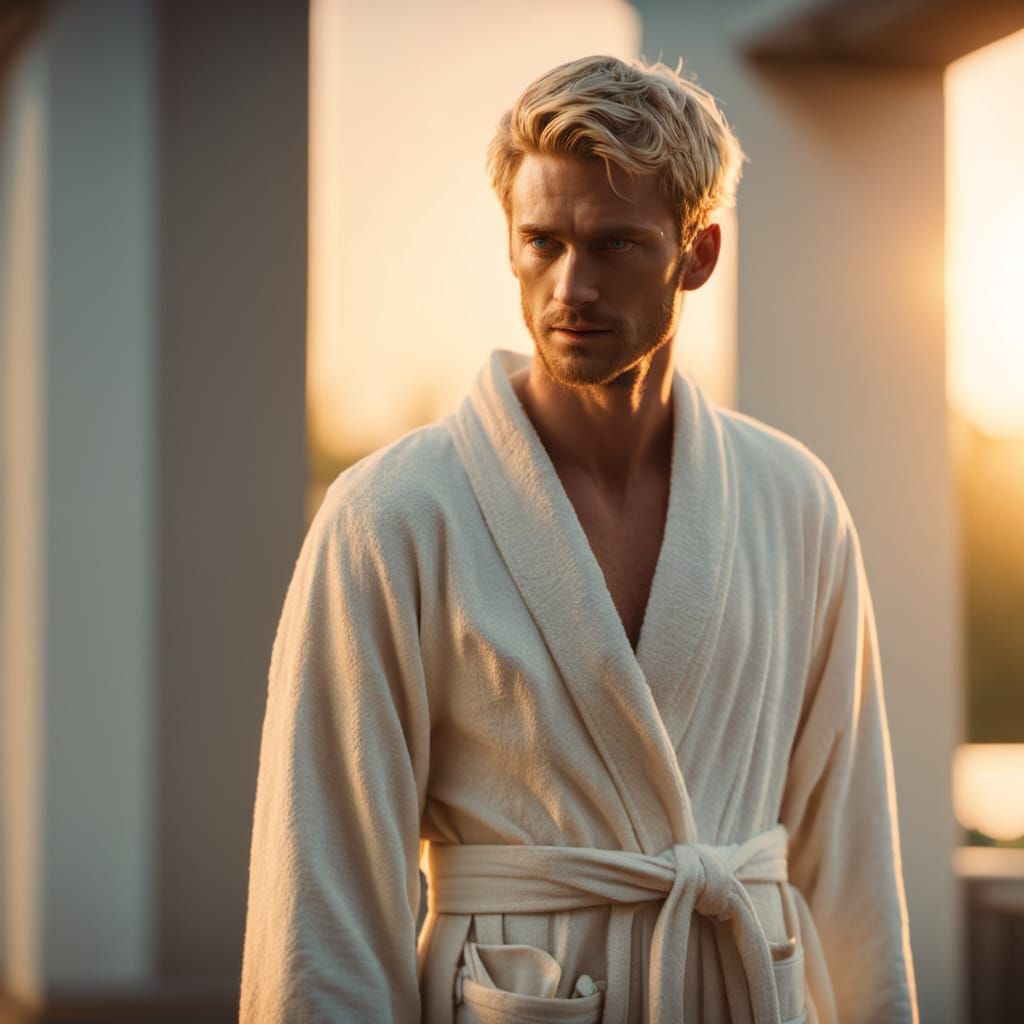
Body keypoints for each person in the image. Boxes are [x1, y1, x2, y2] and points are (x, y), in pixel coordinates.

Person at [239, 55, 918, 1024]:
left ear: (698, 252)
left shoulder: (795, 502)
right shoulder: (390, 516)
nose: (570, 286)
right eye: (541, 241)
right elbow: (325, 895)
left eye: (615, 245)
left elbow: (852, 862)